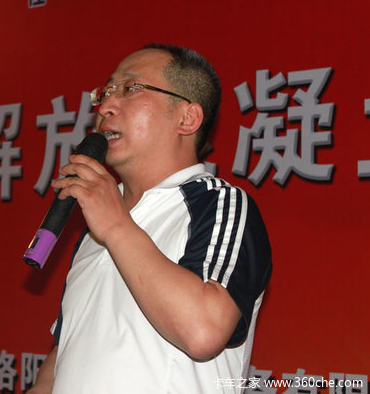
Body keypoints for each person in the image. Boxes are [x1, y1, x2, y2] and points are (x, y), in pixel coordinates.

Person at [29, 44, 272, 393]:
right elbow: (66, 355)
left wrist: (115, 225)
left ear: (187, 118)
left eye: (130, 88)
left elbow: (204, 331)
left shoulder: (217, 203)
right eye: (106, 92)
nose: (106, 107)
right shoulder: (93, 231)